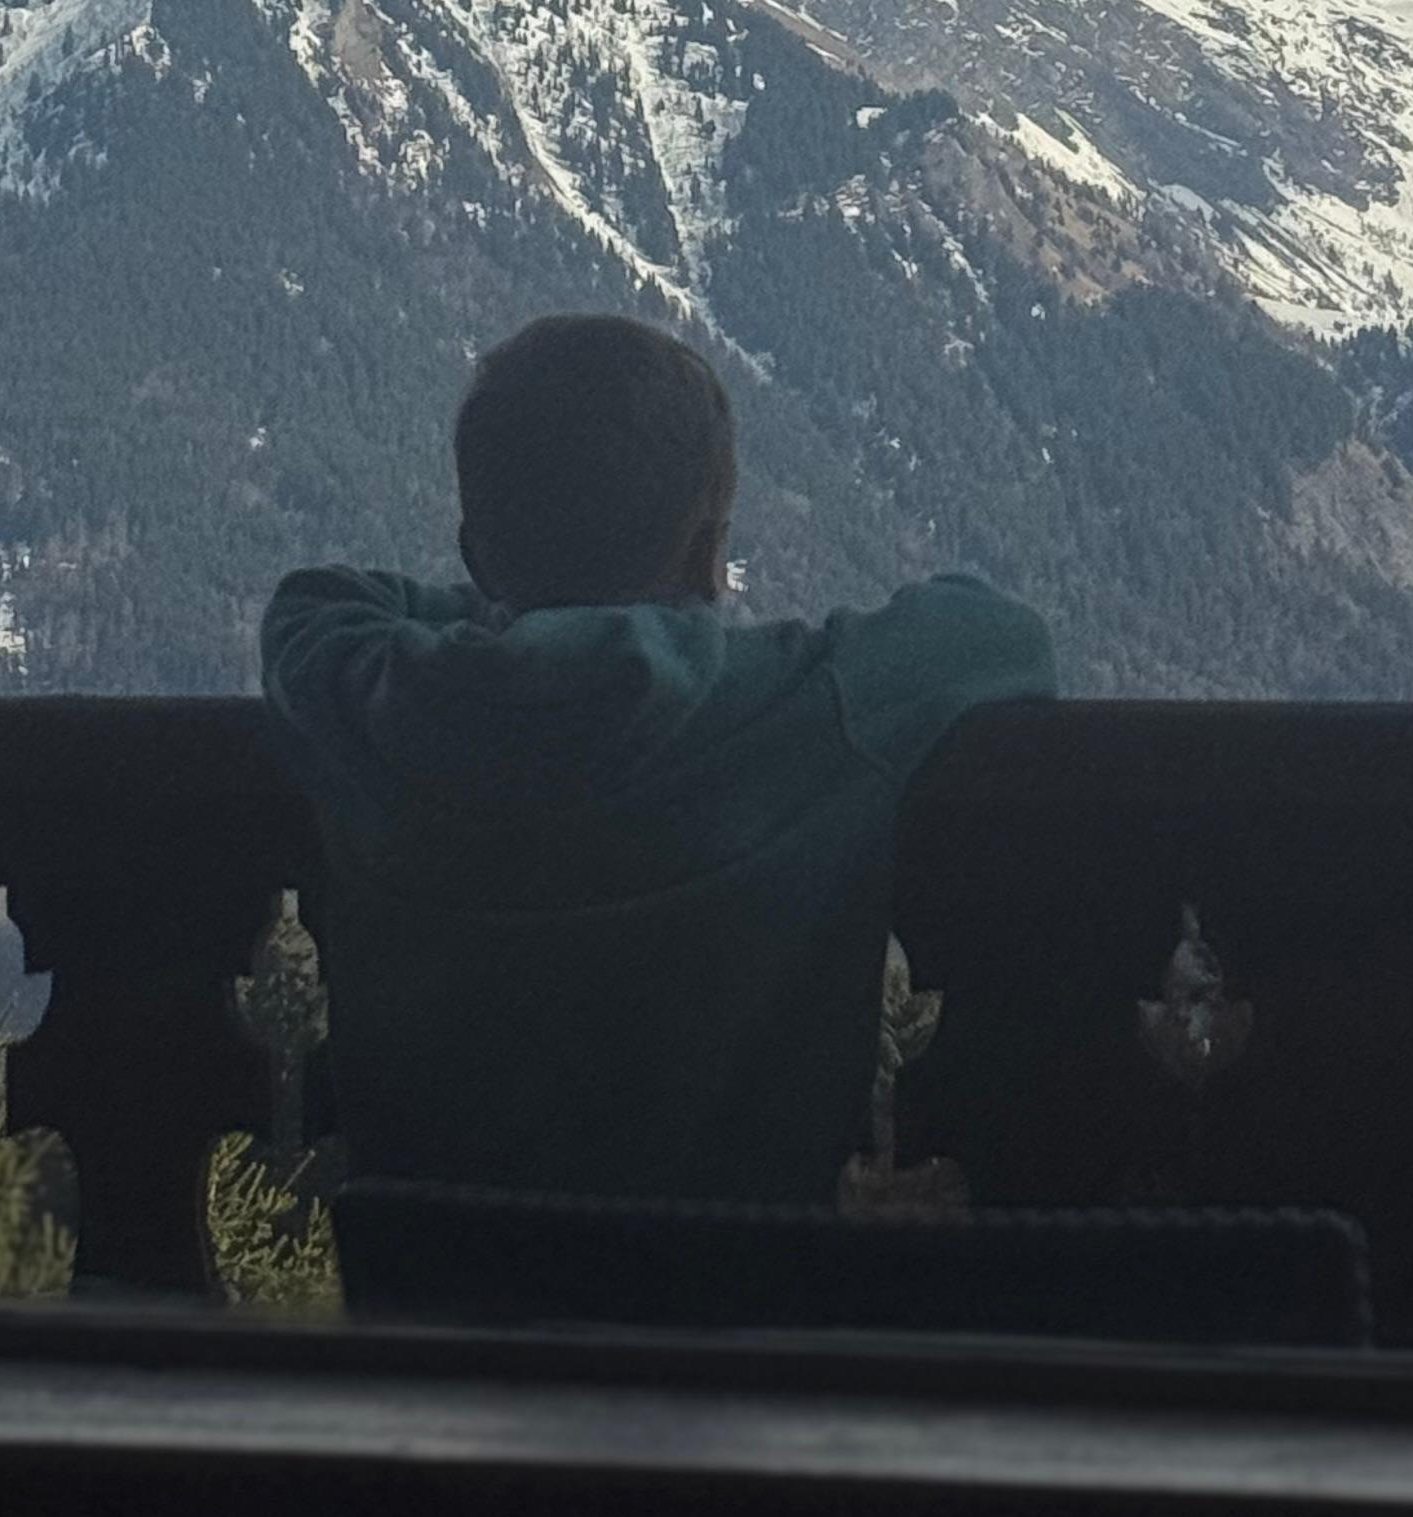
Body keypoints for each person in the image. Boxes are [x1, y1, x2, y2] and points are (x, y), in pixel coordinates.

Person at [260, 311, 1055, 1207]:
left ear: (476, 554)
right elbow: (1002, 637)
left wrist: (507, 628)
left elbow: (317, 603)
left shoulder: (376, 705)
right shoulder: (801, 713)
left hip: (427, 1278)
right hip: (739, 1281)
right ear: (709, 555)